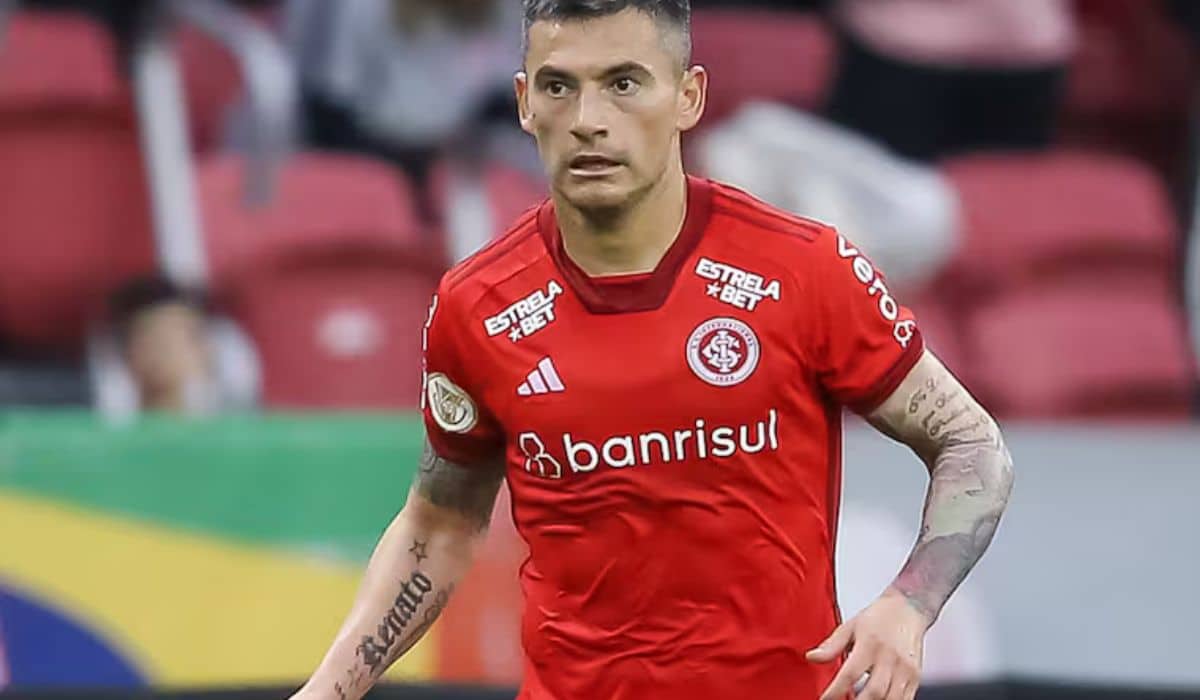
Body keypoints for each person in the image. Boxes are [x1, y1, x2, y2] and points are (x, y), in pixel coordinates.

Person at [291, 2, 1015, 699]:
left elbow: (971, 442)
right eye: (558, 87)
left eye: (624, 84)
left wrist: (910, 604)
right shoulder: (476, 305)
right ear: (524, 103)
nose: (588, 119)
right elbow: (440, 523)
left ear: (688, 96)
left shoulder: (804, 268)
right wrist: (329, 690)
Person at [90, 275, 259, 419]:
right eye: (153, 339)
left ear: (207, 348)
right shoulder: (105, 436)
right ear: (125, 354)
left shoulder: (239, 430)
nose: (167, 351)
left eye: (178, 337)